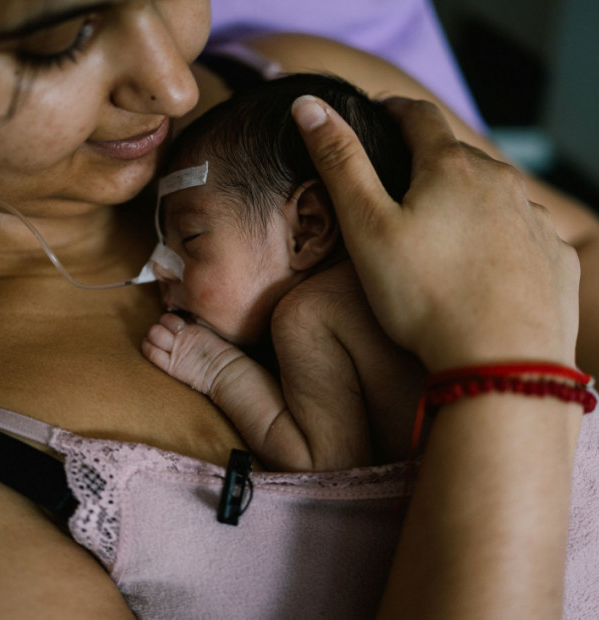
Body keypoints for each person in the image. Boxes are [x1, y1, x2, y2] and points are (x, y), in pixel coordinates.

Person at [0, 1, 599, 617]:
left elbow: (581, 244)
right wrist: (509, 375)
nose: (173, 83)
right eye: (60, 37)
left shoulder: (303, 109)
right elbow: (529, 296)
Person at [143, 72, 423, 471]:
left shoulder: (310, 311)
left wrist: (218, 370)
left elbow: (322, 462)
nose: (159, 266)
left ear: (307, 228)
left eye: (190, 237)